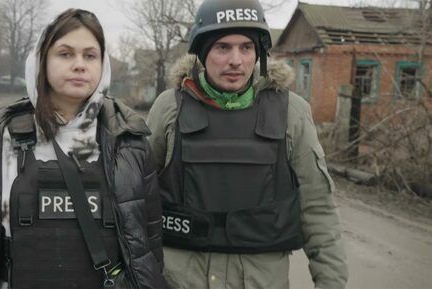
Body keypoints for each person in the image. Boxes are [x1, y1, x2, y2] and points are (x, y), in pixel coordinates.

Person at [0, 9, 165, 289]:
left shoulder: (129, 143)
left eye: (90, 55)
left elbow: (149, 249)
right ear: (41, 60)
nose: (79, 65)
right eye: (65, 53)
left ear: (102, 64)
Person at [146, 0, 348, 288]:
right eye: (222, 47)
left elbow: (318, 209)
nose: (235, 60)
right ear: (203, 53)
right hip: (180, 280)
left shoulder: (291, 112)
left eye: (246, 47)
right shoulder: (170, 108)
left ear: (258, 53)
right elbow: (135, 197)